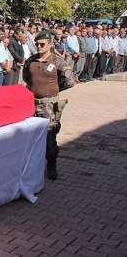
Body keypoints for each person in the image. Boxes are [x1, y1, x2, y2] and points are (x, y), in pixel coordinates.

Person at [23, 31, 74, 180]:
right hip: (32, 104)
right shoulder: (31, 61)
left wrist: (53, 90)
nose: (39, 46)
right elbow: (26, 78)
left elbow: (69, 81)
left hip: (48, 106)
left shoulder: (58, 62)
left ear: (50, 45)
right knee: (31, 137)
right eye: (37, 44)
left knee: (49, 137)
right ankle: (32, 166)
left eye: (42, 44)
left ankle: (51, 165)